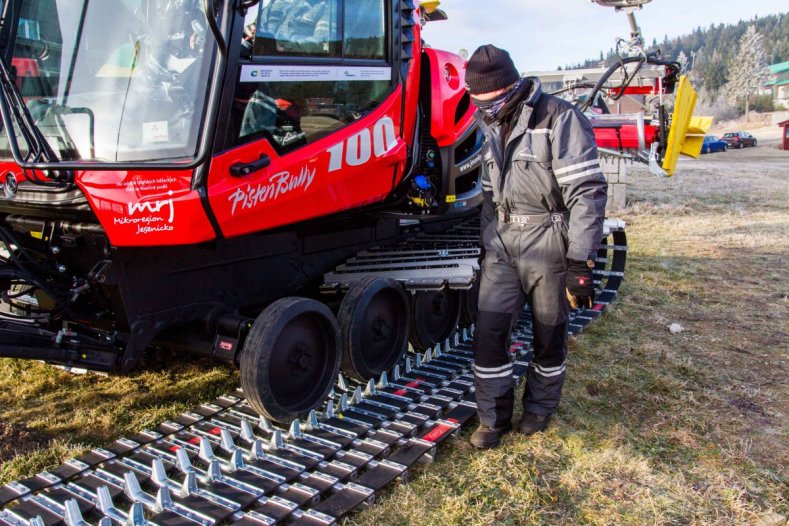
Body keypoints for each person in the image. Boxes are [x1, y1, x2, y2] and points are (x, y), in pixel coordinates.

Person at [466, 45, 607, 449]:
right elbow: (490, 193)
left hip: (549, 242)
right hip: (504, 244)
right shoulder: (488, 123)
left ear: (510, 87)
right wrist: (489, 240)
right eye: (478, 101)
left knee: (549, 332)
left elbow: (586, 192)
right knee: (489, 333)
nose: (484, 108)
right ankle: (492, 419)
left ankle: (540, 408)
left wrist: (581, 261)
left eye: (490, 100)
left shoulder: (559, 118)